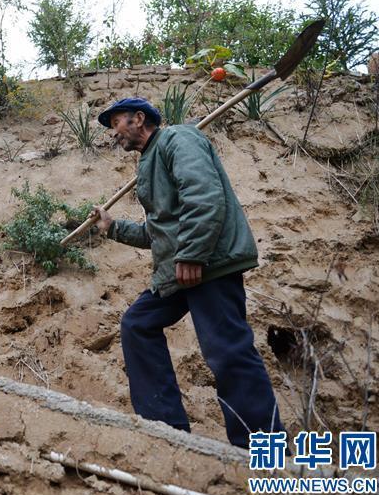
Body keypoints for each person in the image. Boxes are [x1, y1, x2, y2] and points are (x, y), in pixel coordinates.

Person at [90, 97, 284, 448]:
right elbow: (158, 232)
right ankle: (166, 430)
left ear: (138, 118)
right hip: (178, 271)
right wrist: (113, 227)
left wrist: (193, 254)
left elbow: (205, 196)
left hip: (209, 263)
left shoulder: (179, 139)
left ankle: (263, 449)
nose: (112, 133)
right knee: (138, 323)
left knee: (227, 350)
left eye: (115, 123)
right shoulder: (148, 162)